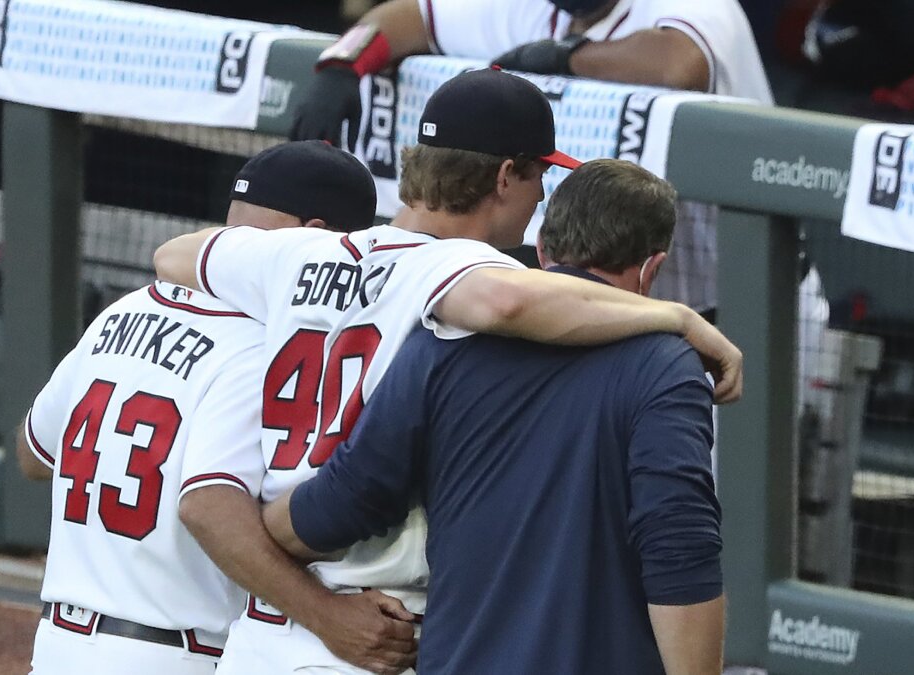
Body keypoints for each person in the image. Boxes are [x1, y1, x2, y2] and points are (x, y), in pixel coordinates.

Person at [154, 68, 738, 674]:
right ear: (506, 175)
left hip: (272, 607)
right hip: (374, 618)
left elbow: (171, 254)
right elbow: (509, 302)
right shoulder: (463, 270)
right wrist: (679, 319)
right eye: (538, 174)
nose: (541, 197)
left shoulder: (309, 249)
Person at [263, 158, 725, 675]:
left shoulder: (445, 338)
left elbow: (345, 500)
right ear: (651, 269)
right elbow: (679, 550)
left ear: (544, 250)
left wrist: (251, 526)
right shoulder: (665, 367)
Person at [17, 141, 416, 675]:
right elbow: (208, 507)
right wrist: (327, 617)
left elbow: (33, 455)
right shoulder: (263, 342)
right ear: (317, 234)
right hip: (171, 653)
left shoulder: (124, 309)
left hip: (58, 645)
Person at [291, 0, 773, 315]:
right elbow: (406, 15)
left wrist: (569, 58)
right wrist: (341, 63)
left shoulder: (699, 7)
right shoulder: (527, 7)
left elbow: (677, 63)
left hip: (743, 302)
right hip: (620, 308)